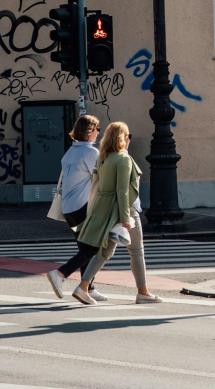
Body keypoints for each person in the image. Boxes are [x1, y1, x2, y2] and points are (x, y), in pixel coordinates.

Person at [74, 121, 161, 305]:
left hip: (106, 209)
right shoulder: (123, 159)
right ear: (122, 138)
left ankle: (83, 286)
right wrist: (125, 217)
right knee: (136, 251)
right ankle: (143, 292)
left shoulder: (104, 158)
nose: (129, 139)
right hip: (125, 209)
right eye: (128, 136)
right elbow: (123, 191)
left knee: (105, 251)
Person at [46, 115, 106, 304]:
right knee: (93, 248)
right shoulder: (90, 152)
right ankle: (60, 273)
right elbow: (101, 178)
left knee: (84, 247)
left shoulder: (70, 152)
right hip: (82, 206)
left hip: (68, 207)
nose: (98, 132)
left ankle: (89, 287)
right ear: (89, 131)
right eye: (96, 129)